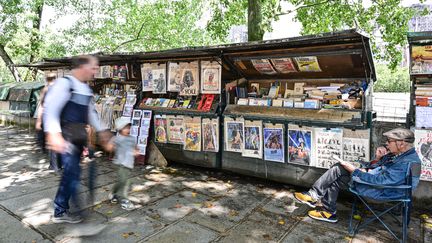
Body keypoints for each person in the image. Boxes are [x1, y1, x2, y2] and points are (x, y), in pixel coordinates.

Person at [294, 128, 421, 223]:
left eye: (389, 141)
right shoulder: (401, 155)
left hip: (384, 192)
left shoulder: (407, 162)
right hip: (381, 186)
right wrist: (377, 159)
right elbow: (377, 170)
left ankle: (318, 200)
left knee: (338, 170)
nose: (387, 144)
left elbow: (381, 181)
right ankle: (326, 210)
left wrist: (355, 171)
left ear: (402, 143)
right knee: (338, 174)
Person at [43, 55, 110, 223]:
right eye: (93, 68)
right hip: (65, 138)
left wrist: (103, 131)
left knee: (73, 174)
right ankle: (60, 211)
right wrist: (54, 134)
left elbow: (91, 113)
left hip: (78, 137)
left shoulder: (85, 89)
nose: (95, 72)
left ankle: (62, 207)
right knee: (72, 173)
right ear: (82, 67)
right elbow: (51, 109)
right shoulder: (64, 84)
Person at [106, 117, 136, 211]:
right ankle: (125, 200)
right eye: (125, 128)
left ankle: (113, 193)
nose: (128, 130)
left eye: (129, 127)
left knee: (120, 181)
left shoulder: (132, 138)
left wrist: (136, 151)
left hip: (129, 164)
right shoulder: (117, 139)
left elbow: (135, 148)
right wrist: (111, 146)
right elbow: (109, 147)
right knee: (125, 182)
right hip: (121, 164)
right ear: (119, 129)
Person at [36, 72, 62, 171]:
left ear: (47, 79)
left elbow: (42, 106)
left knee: (52, 142)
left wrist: (39, 121)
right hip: (59, 118)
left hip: (50, 119)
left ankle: (54, 166)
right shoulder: (60, 90)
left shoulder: (45, 89)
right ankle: (59, 164)